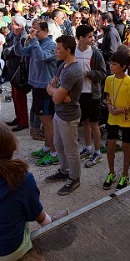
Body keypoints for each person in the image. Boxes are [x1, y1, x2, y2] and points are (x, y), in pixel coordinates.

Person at [0, 124, 63, 261]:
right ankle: (52, 222)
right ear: (14, 147)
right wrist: (48, 223)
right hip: (7, 253)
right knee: (24, 217)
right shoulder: (23, 177)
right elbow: (34, 213)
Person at [14, 19, 58, 167]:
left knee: (47, 122)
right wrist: (18, 37)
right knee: (44, 121)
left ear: (45, 31)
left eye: (36, 30)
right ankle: (47, 148)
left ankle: (54, 153)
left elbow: (41, 56)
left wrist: (33, 41)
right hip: (36, 86)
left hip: (46, 88)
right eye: (31, 29)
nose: (33, 32)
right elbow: (20, 52)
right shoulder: (35, 42)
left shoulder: (52, 45)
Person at [45, 35, 84, 196]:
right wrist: (58, 92)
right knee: (59, 145)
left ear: (68, 50)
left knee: (70, 149)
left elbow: (54, 96)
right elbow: (50, 87)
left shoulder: (72, 71)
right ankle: (64, 170)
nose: (55, 51)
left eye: (58, 49)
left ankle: (74, 178)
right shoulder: (63, 66)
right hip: (60, 113)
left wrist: (57, 93)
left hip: (68, 116)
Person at [102, 49, 130, 190]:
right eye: (111, 64)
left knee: (126, 147)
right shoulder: (108, 79)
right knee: (110, 145)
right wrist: (108, 105)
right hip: (112, 118)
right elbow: (107, 96)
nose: (111, 66)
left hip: (125, 119)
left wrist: (124, 109)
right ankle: (111, 173)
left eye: (114, 64)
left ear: (123, 66)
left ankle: (125, 175)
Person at [74, 24, 107, 168]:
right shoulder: (73, 51)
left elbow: (103, 73)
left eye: (93, 36)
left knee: (94, 123)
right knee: (85, 122)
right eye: (89, 36)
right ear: (80, 38)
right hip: (78, 94)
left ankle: (97, 152)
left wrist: (88, 74)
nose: (93, 39)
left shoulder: (95, 53)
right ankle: (88, 148)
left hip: (93, 94)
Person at [2, 15, 30, 133]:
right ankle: (18, 118)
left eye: (13, 23)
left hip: (19, 70)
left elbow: (13, 51)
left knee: (20, 97)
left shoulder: (23, 37)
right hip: (13, 69)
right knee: (15, 96)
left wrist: (8, 50)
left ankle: (23, 121)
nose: (11, 25)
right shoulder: (13, 36)